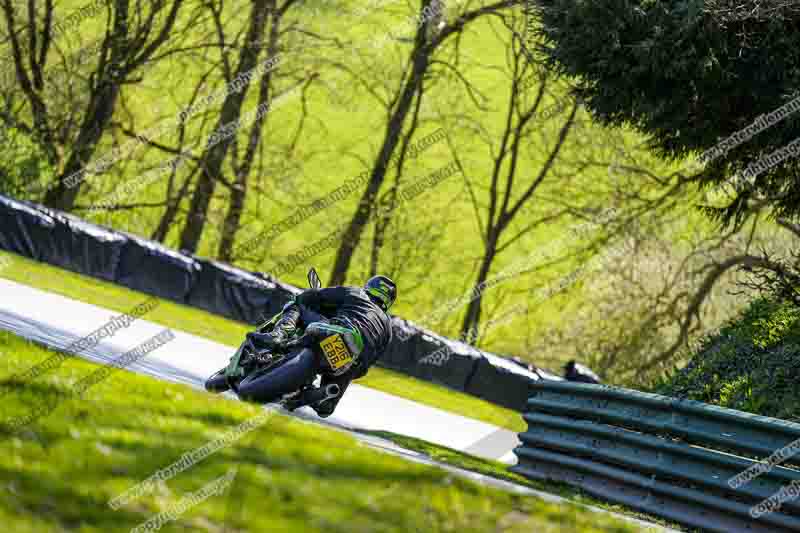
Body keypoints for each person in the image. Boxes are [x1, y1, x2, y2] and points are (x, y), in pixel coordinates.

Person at [239, 275, 397, 417]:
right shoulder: (388, 327)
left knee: (297, 304)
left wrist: (304, 296)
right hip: (355, 360)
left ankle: (279, 335)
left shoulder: (356, 293)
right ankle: (310, 396)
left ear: (370, 286)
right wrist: (352, 371)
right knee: (325, 407)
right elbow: (372, 361)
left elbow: (318, 296)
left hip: (337, 332)